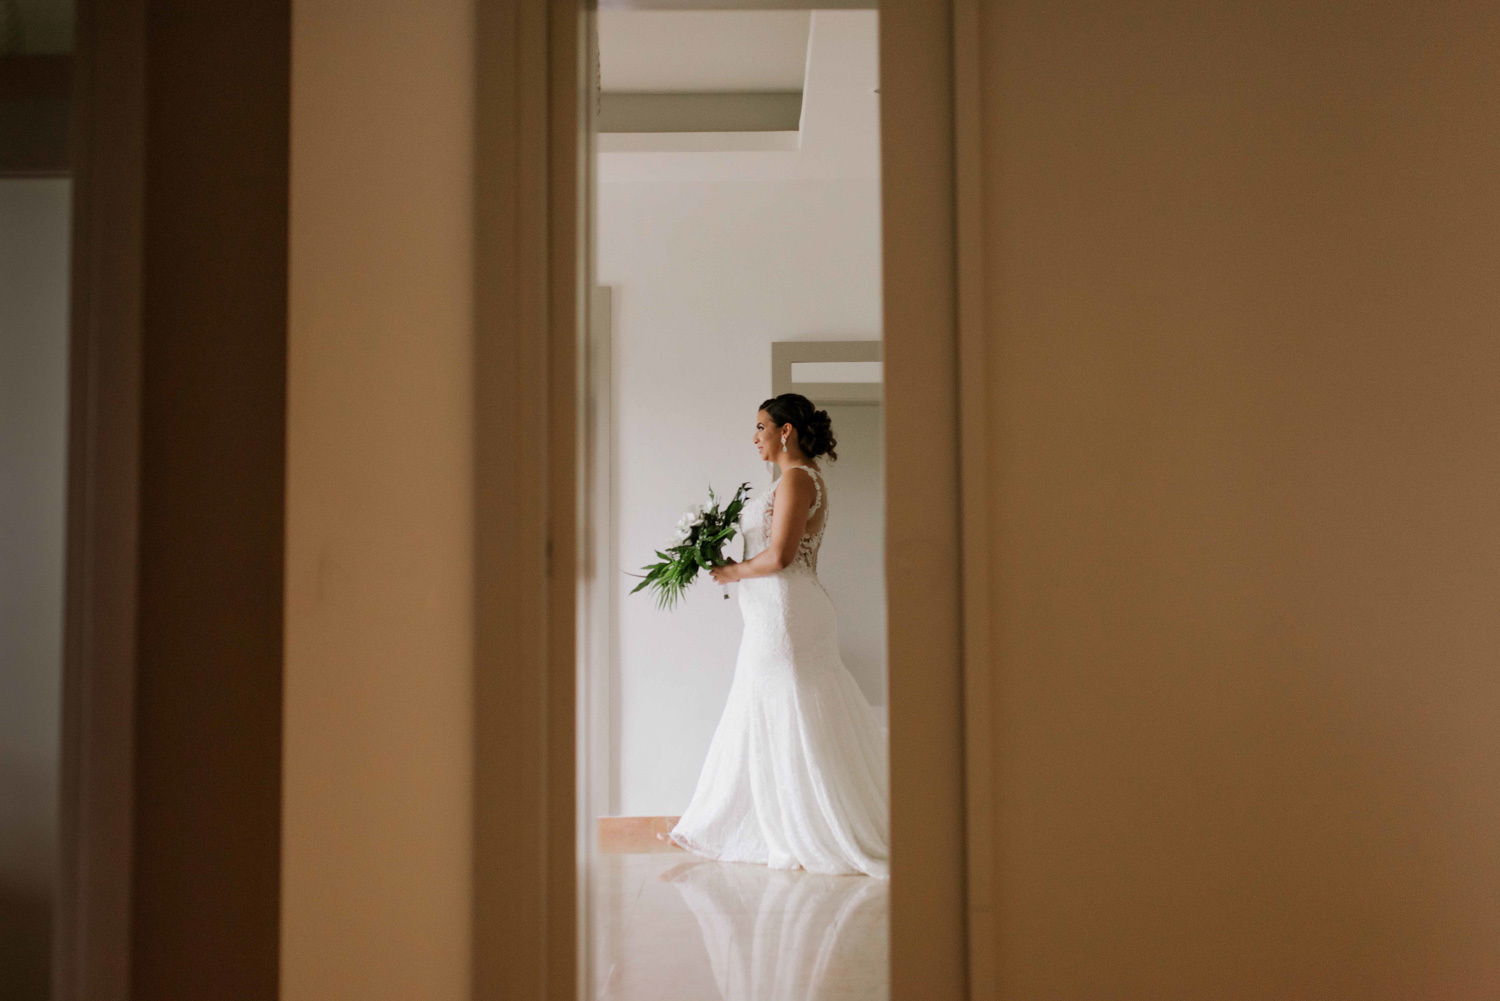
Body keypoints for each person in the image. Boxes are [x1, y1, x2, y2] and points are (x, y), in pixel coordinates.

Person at [659, 393, 890, 878]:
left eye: (761, 427)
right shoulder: (792, 480)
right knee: (769, 706)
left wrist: (733, 571)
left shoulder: (799, 478)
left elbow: (781, 555)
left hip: (786, 613)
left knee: (788, 707)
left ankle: (808, 827)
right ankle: (773, 823)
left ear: (786, 431)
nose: (755, 437)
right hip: (775, 611)